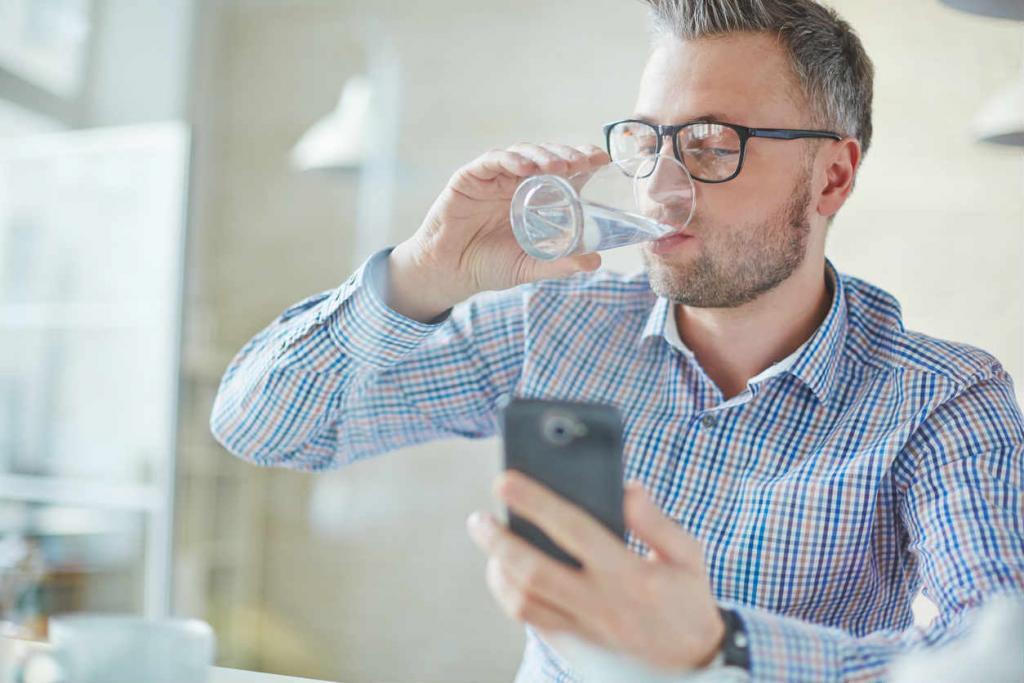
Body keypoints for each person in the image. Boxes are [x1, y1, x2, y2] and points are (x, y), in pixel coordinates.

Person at [210, 0, 1024, 680]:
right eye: (647, 142)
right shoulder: (556, 323)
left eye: (710, 147)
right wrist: (425, 273)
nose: (661, 189)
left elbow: (992, 657)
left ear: (833, 177)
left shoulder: (943, 397)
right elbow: (263, 424)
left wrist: (717, 648)